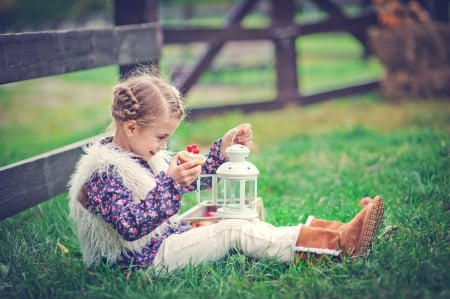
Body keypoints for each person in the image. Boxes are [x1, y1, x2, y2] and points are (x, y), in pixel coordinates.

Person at [68, 70, 384, 273]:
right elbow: (131, 226)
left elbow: (190, 183)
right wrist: (171, 184)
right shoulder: (103, 173)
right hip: (138, 264)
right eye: (161, 137)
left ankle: (333, 231)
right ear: (132, 126)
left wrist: (221, 149)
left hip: (162, 240)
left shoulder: (139, 153)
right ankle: (339, 246)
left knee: (230, 210)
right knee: (232, 229)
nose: (164, 146)